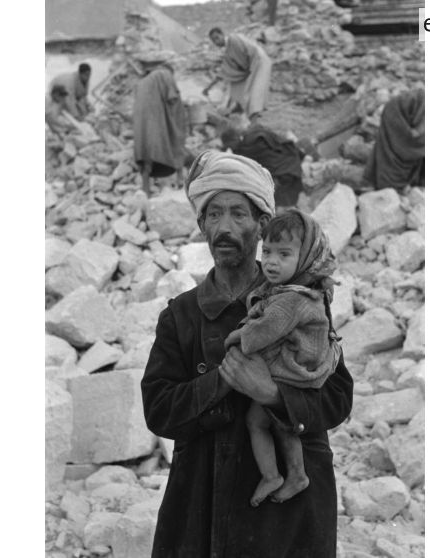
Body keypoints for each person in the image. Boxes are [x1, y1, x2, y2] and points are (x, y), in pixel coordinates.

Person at [141, 150, 353, 558]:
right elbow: (159, 410)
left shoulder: (299, 299)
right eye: (214, 214)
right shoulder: (181, 316)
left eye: (239, 214)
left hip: (288, 517)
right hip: (203, 505)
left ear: (261, 225)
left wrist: (274, 395)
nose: (225, 227)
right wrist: (222, 381)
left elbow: (338, 399)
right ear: (201, 224)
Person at [224, 209, 341, 507]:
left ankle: (279, 475)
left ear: (305, 258)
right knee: (276, 423)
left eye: (284, 254)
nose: (272, 262)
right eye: (268, 251)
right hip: (293, 373)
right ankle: (287, 475)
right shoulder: (295, 291)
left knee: (262, 422)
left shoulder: (292, 300)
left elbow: (264, 330)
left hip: (291, 373)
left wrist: (236, 338)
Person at [133, 64, 187, 196]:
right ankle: (180, 180)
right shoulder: (164, 74)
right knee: (176, 136)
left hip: (141, 122)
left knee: (146, 148)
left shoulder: (142, 83)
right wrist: (181, 119)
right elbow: (173, 99)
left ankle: (145, 187)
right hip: (156, 117)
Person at [221, 124, 304, 208]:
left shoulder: (251, 143)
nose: (231, 148)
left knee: (273, 202)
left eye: (230, 145)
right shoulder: (249, 139)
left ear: (235, 139)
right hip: (290, 165)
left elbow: (263, 164)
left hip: (284, 171)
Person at [204, 28, 272, 122]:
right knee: (236, 87)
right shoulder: (228, 51)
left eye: (217, 38)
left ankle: (254, 123)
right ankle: (238, 109)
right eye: (213, 40)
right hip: (251, 66)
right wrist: (208, 87)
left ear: (222, 34)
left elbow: (247, 55)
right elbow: (224, 72)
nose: (216, 42)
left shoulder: (234, 39)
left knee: (254, 94)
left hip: (259, 62)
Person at [363, 88, 425, 190]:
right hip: (397, 115)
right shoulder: (397, 115)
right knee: (392, 151)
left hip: (409, 112)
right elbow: (416, 136)